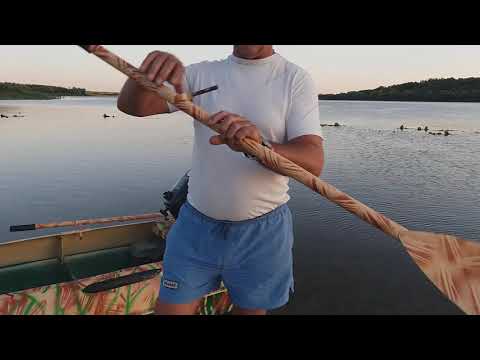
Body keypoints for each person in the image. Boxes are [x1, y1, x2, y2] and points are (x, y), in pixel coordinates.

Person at [117, 45, 325, 315]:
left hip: (262, 233)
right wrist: (143, 77)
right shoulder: (200, 74)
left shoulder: (294, 78)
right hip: (194, 227)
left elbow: (313, 162)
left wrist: (260, 146)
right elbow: (134, 107)